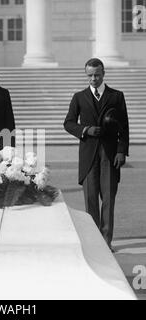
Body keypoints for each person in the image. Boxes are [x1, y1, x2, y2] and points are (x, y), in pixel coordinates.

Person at [64, 58, 129, 250]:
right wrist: (86, 130)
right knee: (91, 200)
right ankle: (94, 242)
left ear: (103, 73)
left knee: (108, 200)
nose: (93, 78)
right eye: (90, 75)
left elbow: (124, 127)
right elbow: (68, 123)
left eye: (97, 75)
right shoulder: (79, 97)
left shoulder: (117, 96)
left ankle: (106, 242)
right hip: (88, 155)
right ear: (87, 75)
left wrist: (121, 151)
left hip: (110, 155)